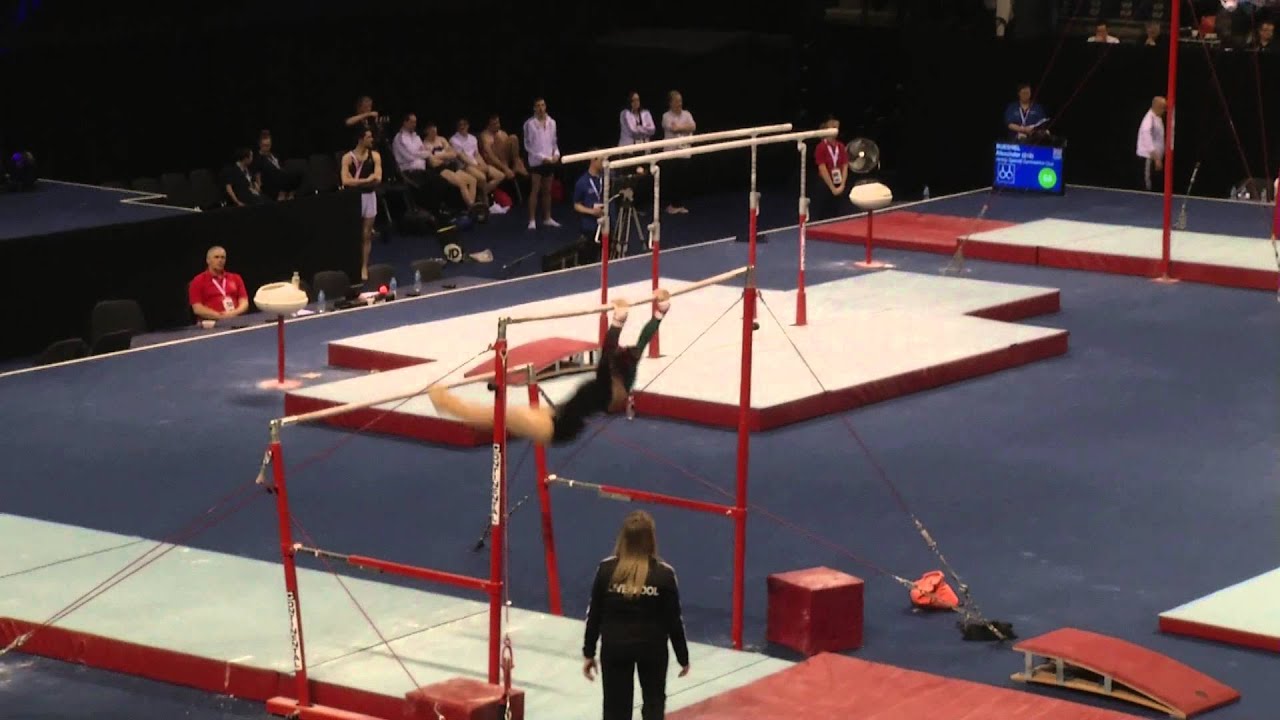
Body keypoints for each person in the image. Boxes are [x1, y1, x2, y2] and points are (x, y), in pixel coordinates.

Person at [428, 294, 671, 446]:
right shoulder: (618, 380)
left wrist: (619, 320)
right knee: (504, 416)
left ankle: (447, 404)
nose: (625, 348)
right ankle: (448, 404)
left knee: (498, 417)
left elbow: (608, 348)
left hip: (556, 429)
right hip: (558, 417)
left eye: (623, 351)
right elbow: (642, 340)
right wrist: (661, 312)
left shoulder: (607, 382)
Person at [582, 510, 690, 720]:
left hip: (615, 648)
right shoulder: (664, 574)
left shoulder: (606, 570)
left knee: (615, 709)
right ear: (651, 539)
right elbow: (673, 621)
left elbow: (594, 614)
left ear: (623, 538)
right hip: (652, 650)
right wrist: (683, 657)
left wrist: (589, 652)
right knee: (653, 704)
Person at [340, 128, 383, 281]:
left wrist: (357, 182)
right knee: (354, 234)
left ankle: (364, 266)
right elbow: (345, 181)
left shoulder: (375, 156)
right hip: (353, 199)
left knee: (366, 235)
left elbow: (377, 178)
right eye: (369, 137)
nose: (372, 140)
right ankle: (352, 265)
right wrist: (365, 180)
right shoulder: (348, 158)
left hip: (370, 197)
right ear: (360, 139)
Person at [524, 98, 562, 230]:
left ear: (545, 107)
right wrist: (542, 157)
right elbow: (528, 145)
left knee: (547, 190)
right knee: (535, 190)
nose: (541, 108)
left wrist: (556, 154)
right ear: (534, 108)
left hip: (549, 161)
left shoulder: (552, 122)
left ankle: (547, 218)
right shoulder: (529, 124)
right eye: (538, 106)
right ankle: (532, 220)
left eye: (542, 105)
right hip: (536, 161)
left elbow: (554, 142)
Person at [188, 245, 249, 321]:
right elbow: (197, 308)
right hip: (212, 323)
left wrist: (233, 313)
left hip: (236, 320)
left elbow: (244, 302)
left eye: (223, 257)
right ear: (208, 260)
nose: (220, 260)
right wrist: (220, 316)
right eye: (216, 257)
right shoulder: (197, 281)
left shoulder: (236, 278)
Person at [661, 90, 696, 214]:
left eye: (680, 101)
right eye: (676, 101)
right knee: (672, 179)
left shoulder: (687, 114)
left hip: (685, 151)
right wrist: (684, 128)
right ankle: (671, 205)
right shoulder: (666, 116)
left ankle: (679, 204)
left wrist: (681, 127)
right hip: (671, 152)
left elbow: (693, 127)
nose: (679, 103)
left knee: (682, 180)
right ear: (670, 103)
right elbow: (673, 129)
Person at [812, 115, 850, 221]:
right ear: (826, 129)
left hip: (838, 181)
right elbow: (822, 168)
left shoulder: (841, 146)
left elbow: (845, 165)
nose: (836, 130)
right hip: (825, 183)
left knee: (837, 211)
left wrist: (842, 184)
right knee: (824, 212)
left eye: (837, 128)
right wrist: (832, 188)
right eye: (833, 127)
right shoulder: (821, 147)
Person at [573, 155, 606, 249]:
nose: (603, 163)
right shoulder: (582, 182)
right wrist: (592, 211)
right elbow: (576, 205)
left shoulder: (606, 179)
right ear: (593, 160)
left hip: (605, 223)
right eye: (601, 160)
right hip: (589, 226)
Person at [1136, 96, 1167, 192]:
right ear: (1157, 106)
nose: (1164, 110)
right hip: (1148, 158)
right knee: (1147, 186)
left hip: (1154, 159)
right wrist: (1157, 158)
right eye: (1163, 108)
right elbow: (1147, 140)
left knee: (1155, 185)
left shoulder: (1157, 118)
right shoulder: (1149, 120)